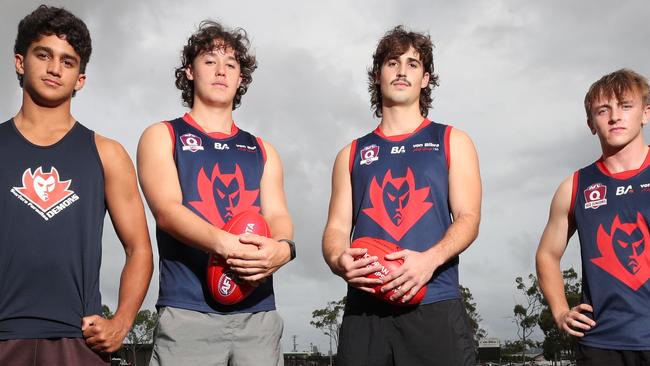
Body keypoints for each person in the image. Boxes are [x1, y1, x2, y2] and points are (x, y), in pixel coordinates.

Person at [0, 5, 153, 365]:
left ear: (80, 79)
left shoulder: (107, 153)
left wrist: (121, 322)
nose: (55, 68)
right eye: (44, 55)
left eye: (68, 62)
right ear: (20, 62)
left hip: (77, 341)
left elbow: (140, 249)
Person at [137, 20, 294, 366]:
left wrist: (282, 249)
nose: (221, 70)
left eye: (232, 64)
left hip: (258, 314)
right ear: (189, 72)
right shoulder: (162, 135)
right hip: (188, 312)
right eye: (210, 61)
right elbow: (167, 210)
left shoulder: (263, 149)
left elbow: (278, 217)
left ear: (241, 79)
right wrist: (227, 245)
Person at [322, 25, 481, 365]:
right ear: (378, 75)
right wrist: (339, 260)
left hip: (433, 303)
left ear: (425, 79)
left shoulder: (453, 141)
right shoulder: (350, 154)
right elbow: (336, 230)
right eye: (393, 62)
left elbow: (468, 219)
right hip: (366, 311)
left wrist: (429, 260)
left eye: (413, 64)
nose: (402, 71)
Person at [536, 69, 650, 365]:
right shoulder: (574, 187)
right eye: (603, 110)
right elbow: (547, 254)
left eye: (626, 106)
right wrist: (560, 311)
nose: (615, 117)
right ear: (591, 123)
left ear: (645, 113)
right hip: (601, 344)